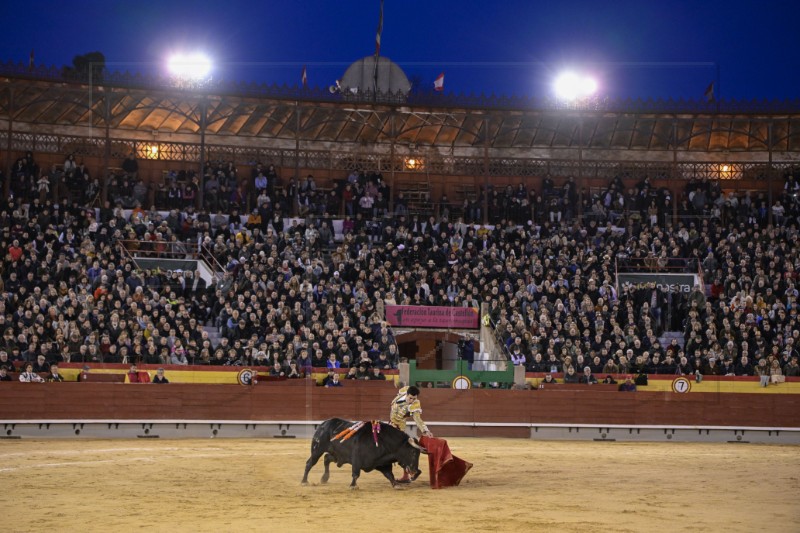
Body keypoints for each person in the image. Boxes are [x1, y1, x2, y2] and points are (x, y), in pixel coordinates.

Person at [389, 385, 432, 483]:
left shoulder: (415, 404)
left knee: (397, 451)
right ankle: (407, 474)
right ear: (406, 394)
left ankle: (408, 473)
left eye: (414, 398)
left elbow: (418, 419)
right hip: (390, 424)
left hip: (399, 427)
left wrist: (425, 431)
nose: (412, 400)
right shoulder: (404, 390)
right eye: (410, 398)